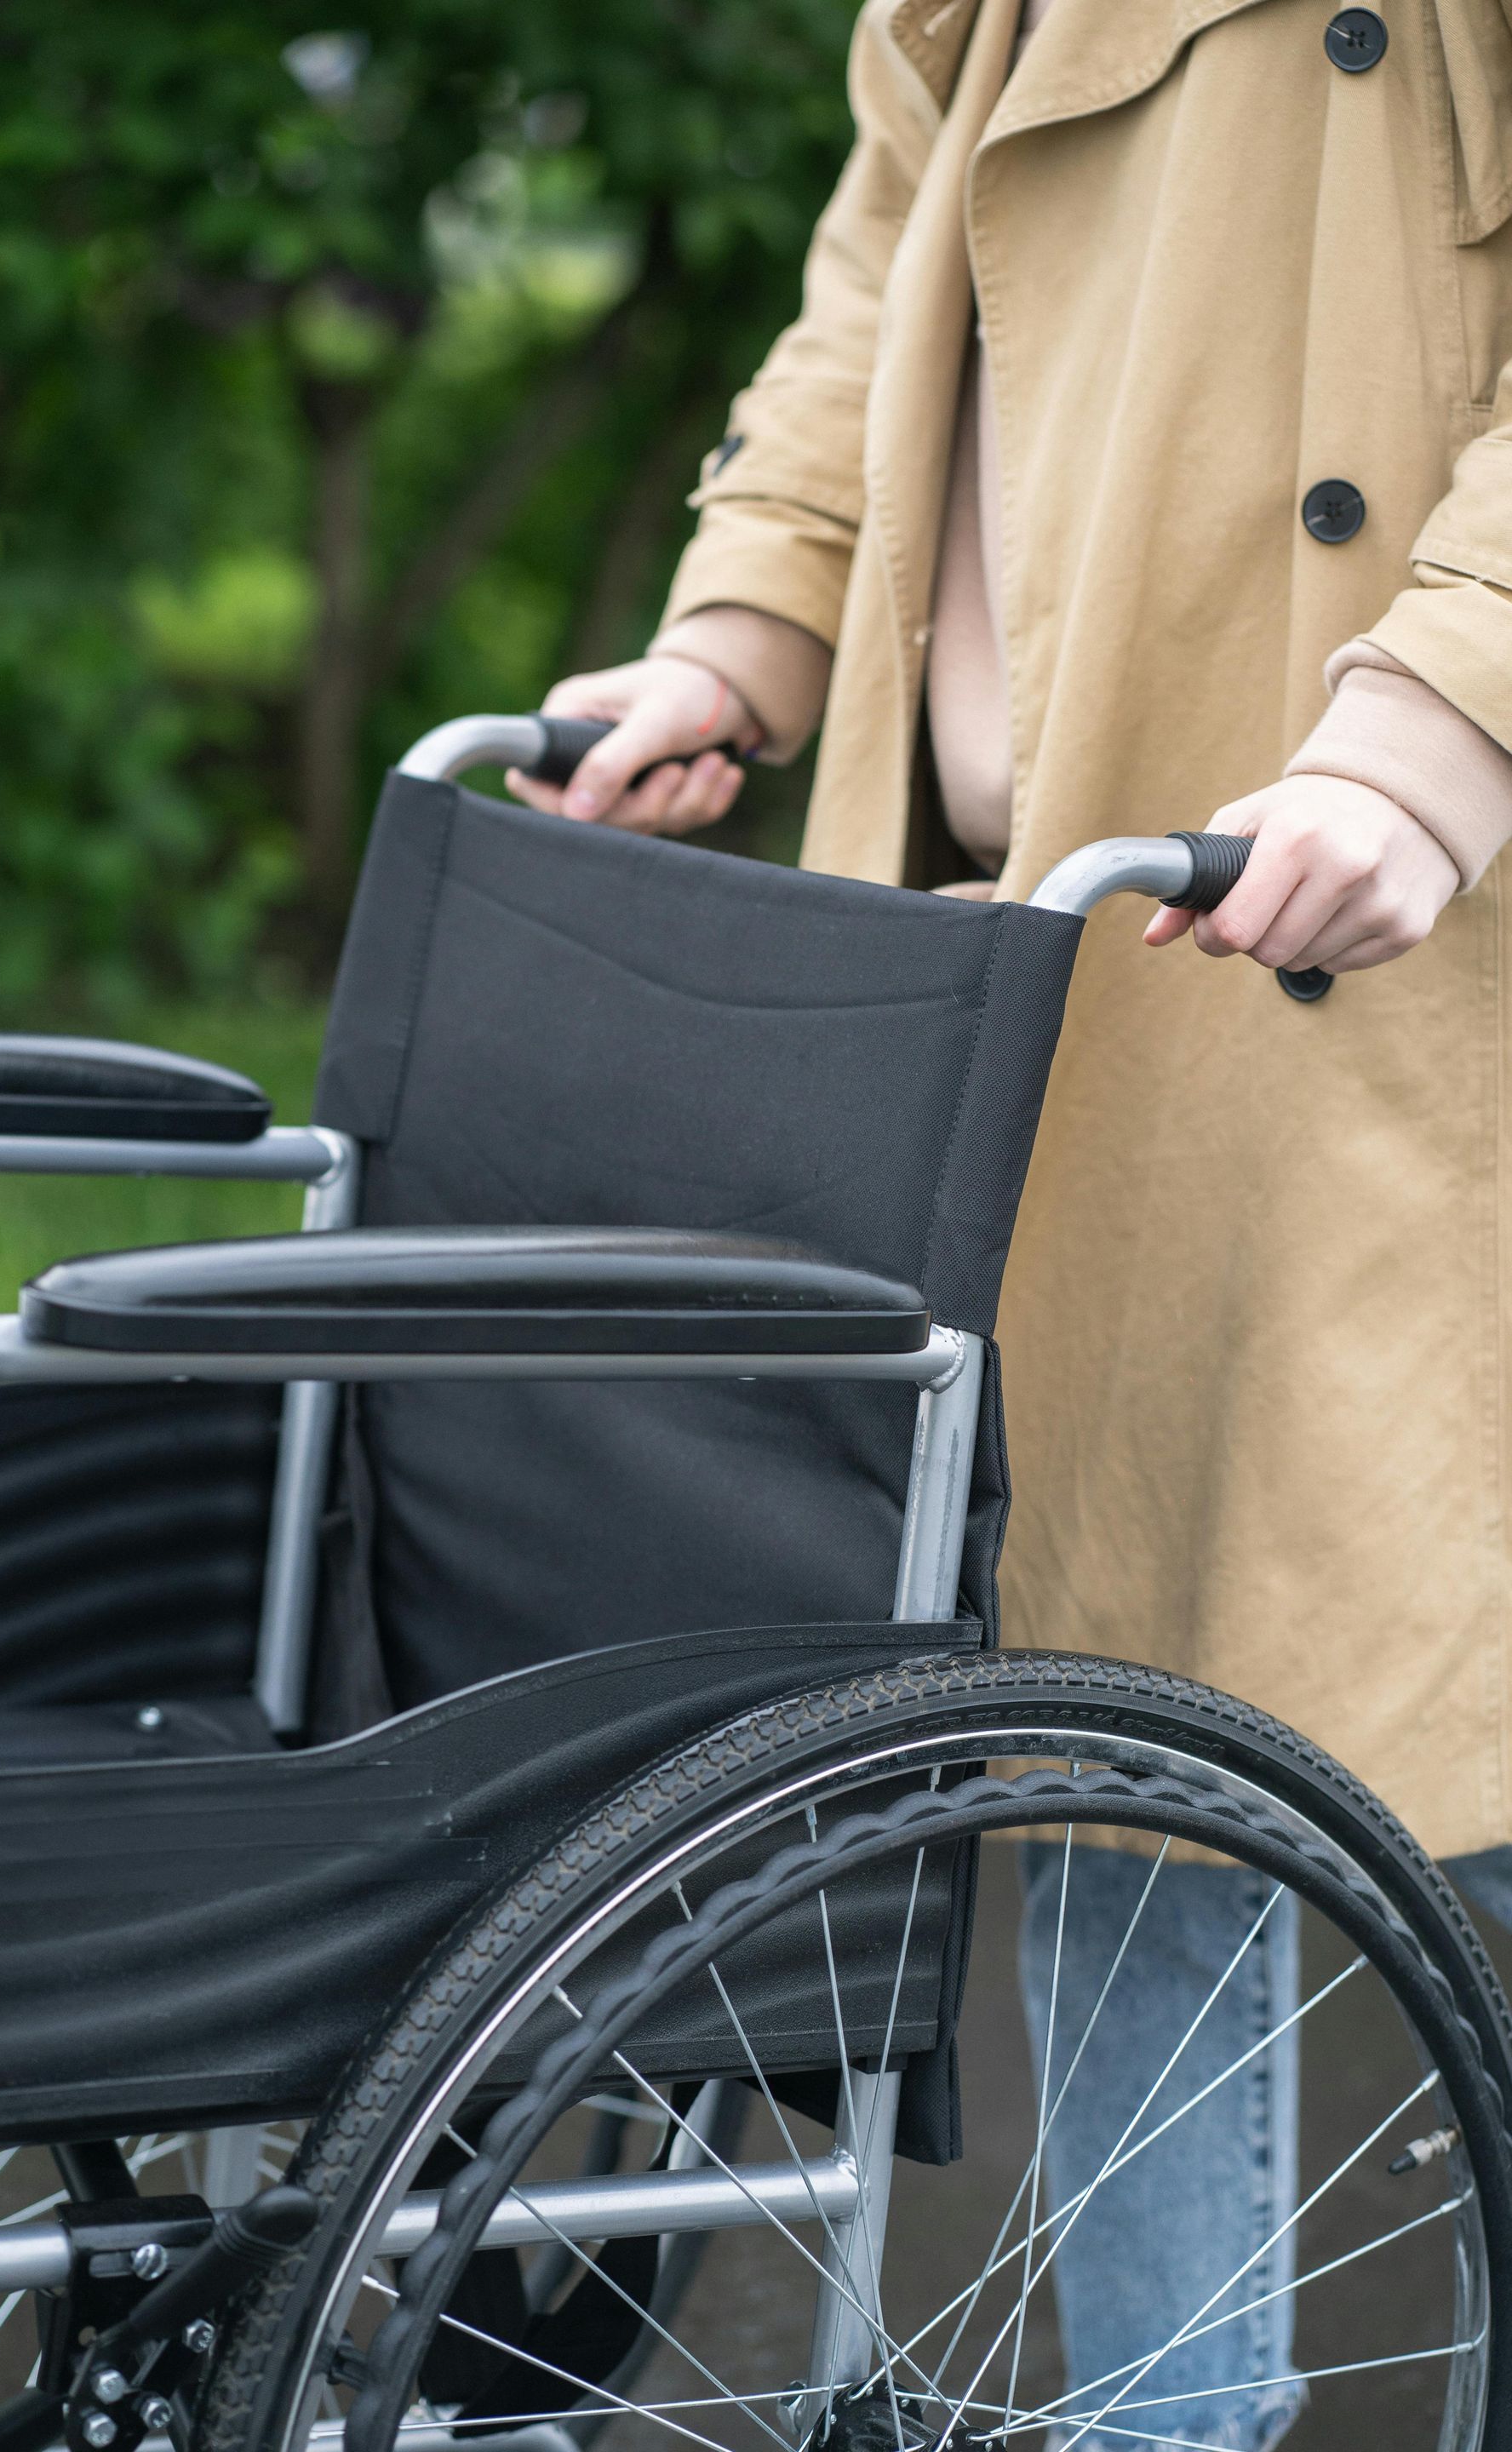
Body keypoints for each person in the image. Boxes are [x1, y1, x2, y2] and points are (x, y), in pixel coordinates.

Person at [510, 0, 1512, 2442]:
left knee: (1353, 1677)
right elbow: (899, 249)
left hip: (1371, 874)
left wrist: (1442, 720)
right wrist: (746, 635)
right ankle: (1169, 2417)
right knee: (1115, 1680)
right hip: (1042, 876)